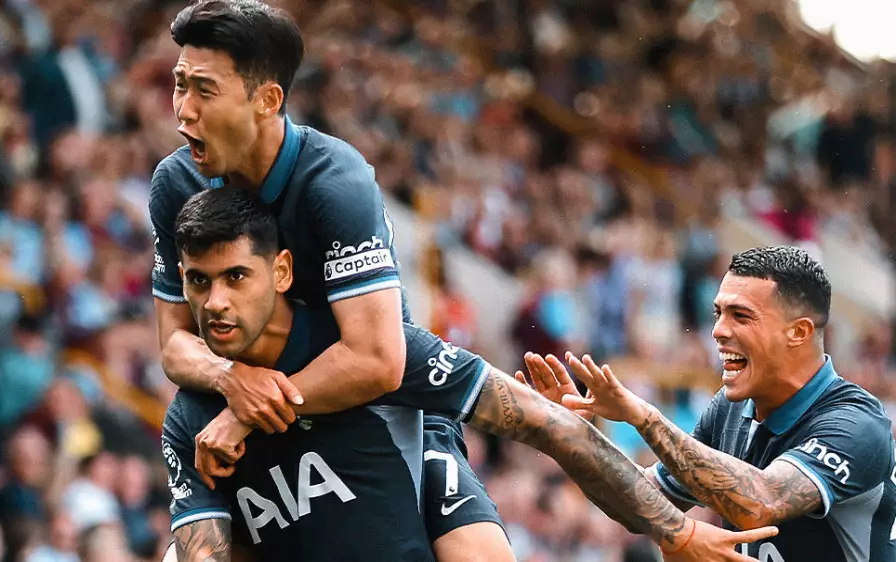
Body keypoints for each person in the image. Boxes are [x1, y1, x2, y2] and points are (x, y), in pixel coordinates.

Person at [161, 187, 777, 561]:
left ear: (282, 271)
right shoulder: (189, 419)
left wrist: (677, 533)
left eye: (236, 277)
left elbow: (552, 426)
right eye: (198, 282)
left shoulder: (380, 351)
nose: (215, 303)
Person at [146, 1, 507, 558]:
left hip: (380, 404)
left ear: (267, 100)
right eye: (179, 85)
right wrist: (231, 381)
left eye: (204, 90)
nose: (182, 111)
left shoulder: (334, 182)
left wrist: (246, 409)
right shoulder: (177, 184)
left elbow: (377, 361)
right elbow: (173, 342)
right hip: (260, 421)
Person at [523, 245, 896, 561]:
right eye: (718, 313)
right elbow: (644, 501)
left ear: (798, 332)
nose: (718, 330)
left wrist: (645, 418)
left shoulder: (856, 425)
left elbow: (762, 501)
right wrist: (569, 435)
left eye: (741, 316)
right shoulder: (731, 409)